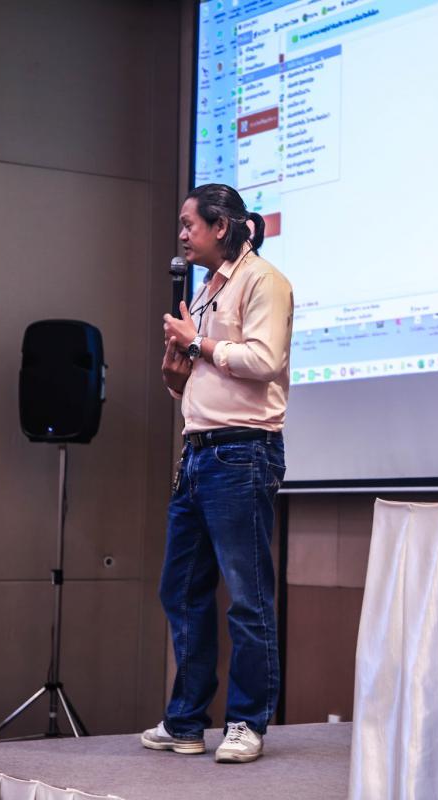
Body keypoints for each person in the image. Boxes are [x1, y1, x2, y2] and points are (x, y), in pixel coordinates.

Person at [140, 184, 293, 764]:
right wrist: (176, 372)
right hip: (198, 453)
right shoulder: (207, 289)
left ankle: (247, 722)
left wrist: (199, 344)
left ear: (221, 226)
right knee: (180, 589)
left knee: (247, 598)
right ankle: (185, 722)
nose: (182, 235)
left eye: (189, 224)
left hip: (242, 453)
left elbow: (265, 360)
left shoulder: (263, 281)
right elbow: (199, 377)